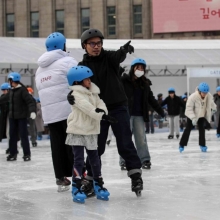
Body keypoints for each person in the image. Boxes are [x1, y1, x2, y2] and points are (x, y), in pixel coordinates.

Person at [67, 28, 143, 197]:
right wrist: (70, 95)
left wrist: (123, 50)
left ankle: (136, 175)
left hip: (118, 106)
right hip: (98, 111)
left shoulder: (109, 57)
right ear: (84, 46)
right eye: (92, 43)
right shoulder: (82, 66)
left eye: (99, 43)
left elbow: (118, 56)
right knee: (96, 146)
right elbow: (77, 85)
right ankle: (92, 179)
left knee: (125, 142)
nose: (96, 46)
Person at [66, 66, 117, 203]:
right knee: (79, 160)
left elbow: (101, 104)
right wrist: (103, 116)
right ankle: (76, 186)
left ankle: (98, 184)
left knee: (94, 158)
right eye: (86, 79)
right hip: (77, 130)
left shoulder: (94, 93)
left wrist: (104, 113)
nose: (89, 81)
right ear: (77, 82)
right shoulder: (76, 95)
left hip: (91, 131)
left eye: (89, 78)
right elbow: (88, 109)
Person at [35, 32, 77, 192]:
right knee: (73, 143)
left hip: (50, 114)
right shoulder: (68, 61)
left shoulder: (39, 69)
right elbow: (79, 79)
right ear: (63, 45)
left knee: (56, 145)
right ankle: (77, 173)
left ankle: (60, 177)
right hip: (67, 111)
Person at [119, 58, 164, 170]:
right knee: (125, 139)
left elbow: (151, 99)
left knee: (141, 139)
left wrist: (160, 111)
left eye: (142, 68)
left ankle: (145, 160)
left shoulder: (145, 84)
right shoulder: (124, 80)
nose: (140, 69)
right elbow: (113, 84)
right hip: (126, 114)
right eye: (137, 67)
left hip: (139, 115)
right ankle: (124, 161)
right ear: (133, 68)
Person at [179, 82, 216, 153]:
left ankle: (202, 145)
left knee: (202, 130)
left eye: (206, 93)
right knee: (188, 129)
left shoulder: (208, 95)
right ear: (199, 91)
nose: (205, 94)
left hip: (201, 115)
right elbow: (189, 108)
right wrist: (193, 118)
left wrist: (214, 108)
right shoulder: (192, 97)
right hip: (192, 116)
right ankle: (182, 144)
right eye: (203, 93)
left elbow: (211, 102)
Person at [7, 72, 36, 161]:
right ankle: (13, 154)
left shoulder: (22, 90)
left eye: (9, 80)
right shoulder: (11, 90)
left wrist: (32, 111)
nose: (9, 82)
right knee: (12, 136)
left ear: (12, 80)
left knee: (23, 136)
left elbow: (30, 101)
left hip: (21, 117)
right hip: (12, 117)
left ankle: (27, 154)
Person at [0, 83, 11, 153]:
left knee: (12, 133)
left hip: (12, 116)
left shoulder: (10, 97)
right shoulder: (2, 97)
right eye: (2, 90)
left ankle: (14, 147)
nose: (4, 91)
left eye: (5, 90)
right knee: (8, 133)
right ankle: (10, 146)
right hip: (5, 117)